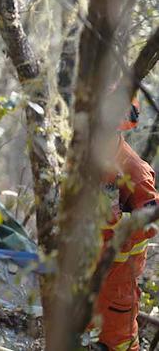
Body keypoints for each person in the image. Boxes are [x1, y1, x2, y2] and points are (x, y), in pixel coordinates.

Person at [91, 97, 158, 351]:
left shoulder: (135, 170)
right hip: (85, 274)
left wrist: (117, 221)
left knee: (117, 342)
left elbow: (150, 224)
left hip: (116, 283)